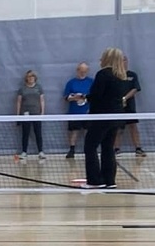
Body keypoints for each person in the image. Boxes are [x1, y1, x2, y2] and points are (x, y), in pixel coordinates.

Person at [84, 48, 130, 189]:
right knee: (108, 147)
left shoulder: (103, 74)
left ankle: (94, 181)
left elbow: (97, 95)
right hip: (116, 117)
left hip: (102, 117)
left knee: (90, 146)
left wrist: (85, 97)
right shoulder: (121, 76)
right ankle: (109, 180)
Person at [62, 63, 93, 159]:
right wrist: (74, 97)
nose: (82, 73)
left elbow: (96, 96)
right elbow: (66, 97)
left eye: (85, 71)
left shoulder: (92, 82)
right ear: (77, 70)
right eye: (81, 71)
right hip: (74, 112)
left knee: (89, 131)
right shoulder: (71, 83)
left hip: (88, 112)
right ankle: (72, 150)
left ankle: (90, 149)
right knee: (74, 131)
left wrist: (85, 97)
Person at [116, 58, 146, 156]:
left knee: (133, 126)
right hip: (117, 106)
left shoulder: (132, 75)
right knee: (118, 128)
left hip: (130, 106)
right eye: (121, 61)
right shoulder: (114, 75)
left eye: (125, 61)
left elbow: (135, 88)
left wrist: (125, 98)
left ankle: (138, 148)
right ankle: (116, 149)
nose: (123, 63)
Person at [15, 70, 46, 160]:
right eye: (29, 76)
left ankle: (40, 152)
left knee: (38, 133)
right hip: (25, 114)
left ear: (35, 78)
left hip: (36, 114)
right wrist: (17, 115)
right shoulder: (22, 89)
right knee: (25, 133)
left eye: (32, 76)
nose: (31, 78)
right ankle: (24, 152)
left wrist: (42, 112)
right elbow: (18, 102)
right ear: (26, 78)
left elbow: (42, 100)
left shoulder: (39, 88)